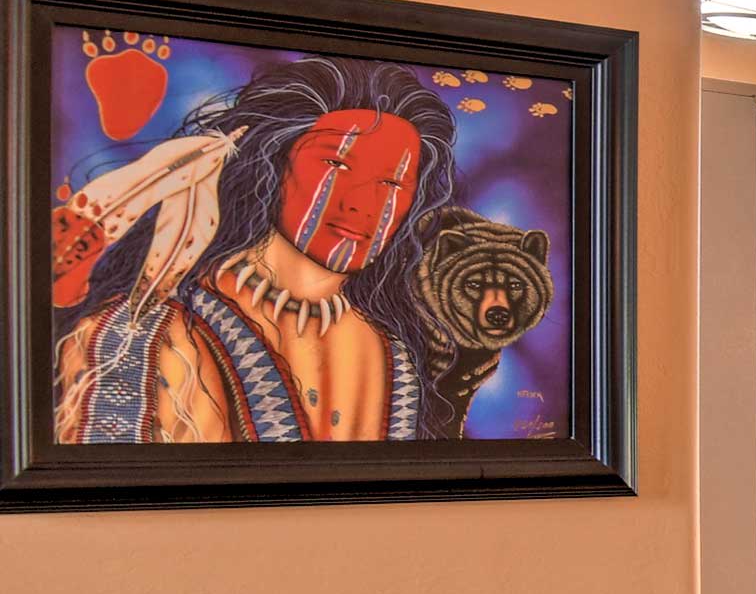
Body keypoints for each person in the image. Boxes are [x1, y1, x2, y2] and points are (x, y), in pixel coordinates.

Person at [51, 56, 458, 443]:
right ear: (271, 166)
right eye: (336, 166)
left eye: (391, 184)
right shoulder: (140, 336)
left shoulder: (393, 355)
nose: (362, 204)